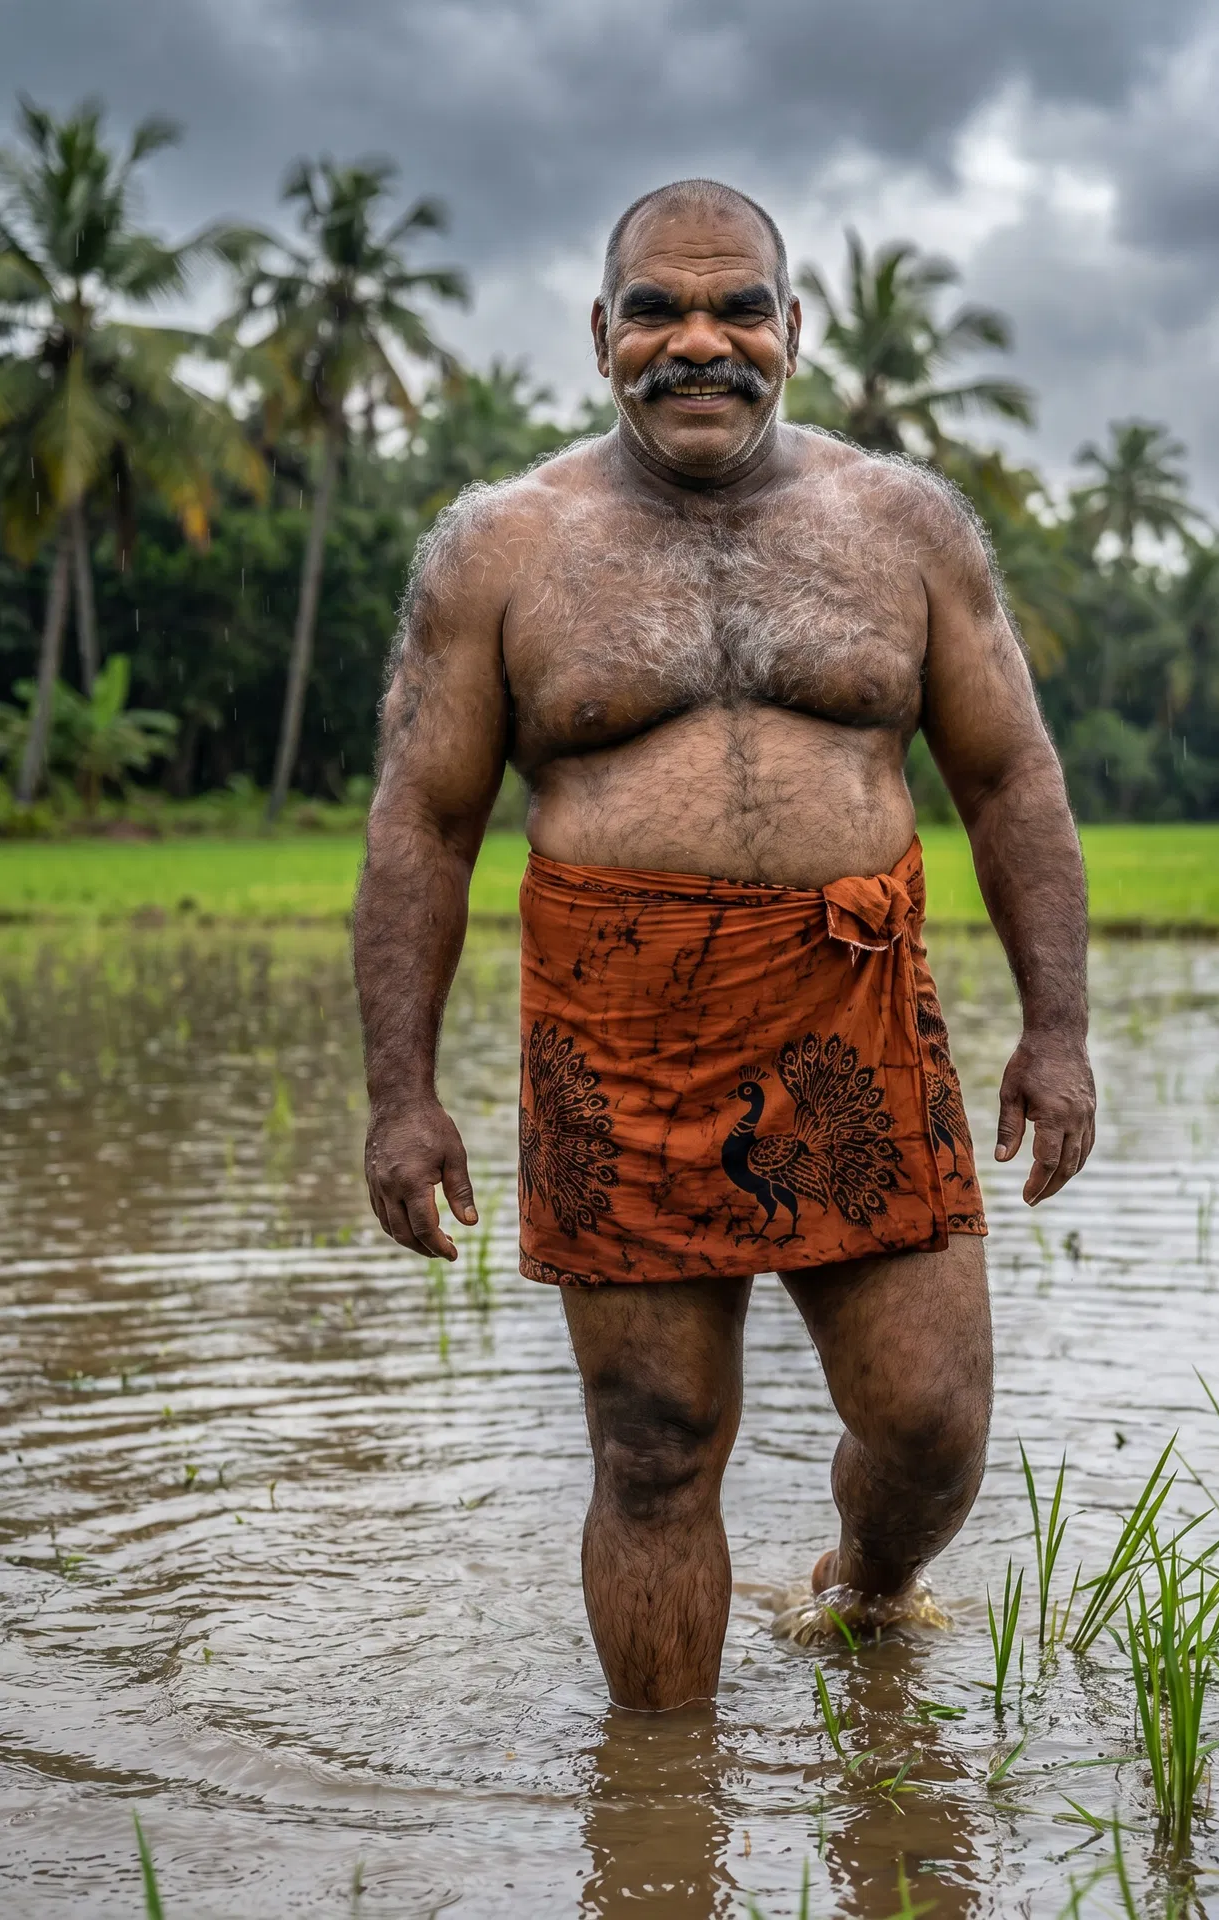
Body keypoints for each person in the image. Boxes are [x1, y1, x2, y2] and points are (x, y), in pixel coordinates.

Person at [353, 179, 1095, 1712]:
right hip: (611, 1035)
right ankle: (658, 1816)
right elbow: (420, 827)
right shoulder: (501, 551)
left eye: (737, 306)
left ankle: (867, 1593)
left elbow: (1009, 775)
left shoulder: (903, 527)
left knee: (929, 1424)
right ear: (602, 335)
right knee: (650, 1444)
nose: (701, 342)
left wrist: (1058, 1030)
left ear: (792, 330)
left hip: (849, 1013)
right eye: (658, 310)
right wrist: (399, 1096)